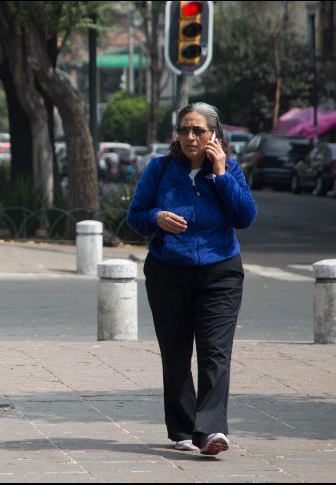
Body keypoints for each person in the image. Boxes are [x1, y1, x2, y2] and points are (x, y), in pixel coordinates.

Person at [127, 103, 257, 456]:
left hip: (221, 271)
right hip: (169, 271)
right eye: (184, 129)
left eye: (198, 130)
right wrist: (157, 217)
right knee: (176, 353)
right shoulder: (160, 168)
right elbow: (135, 217)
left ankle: (213, 430)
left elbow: (245, 217)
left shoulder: (228, 168)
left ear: (214, 134)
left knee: (215, 353)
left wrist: (220, 173)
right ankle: (184, 429)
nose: (189, 137)